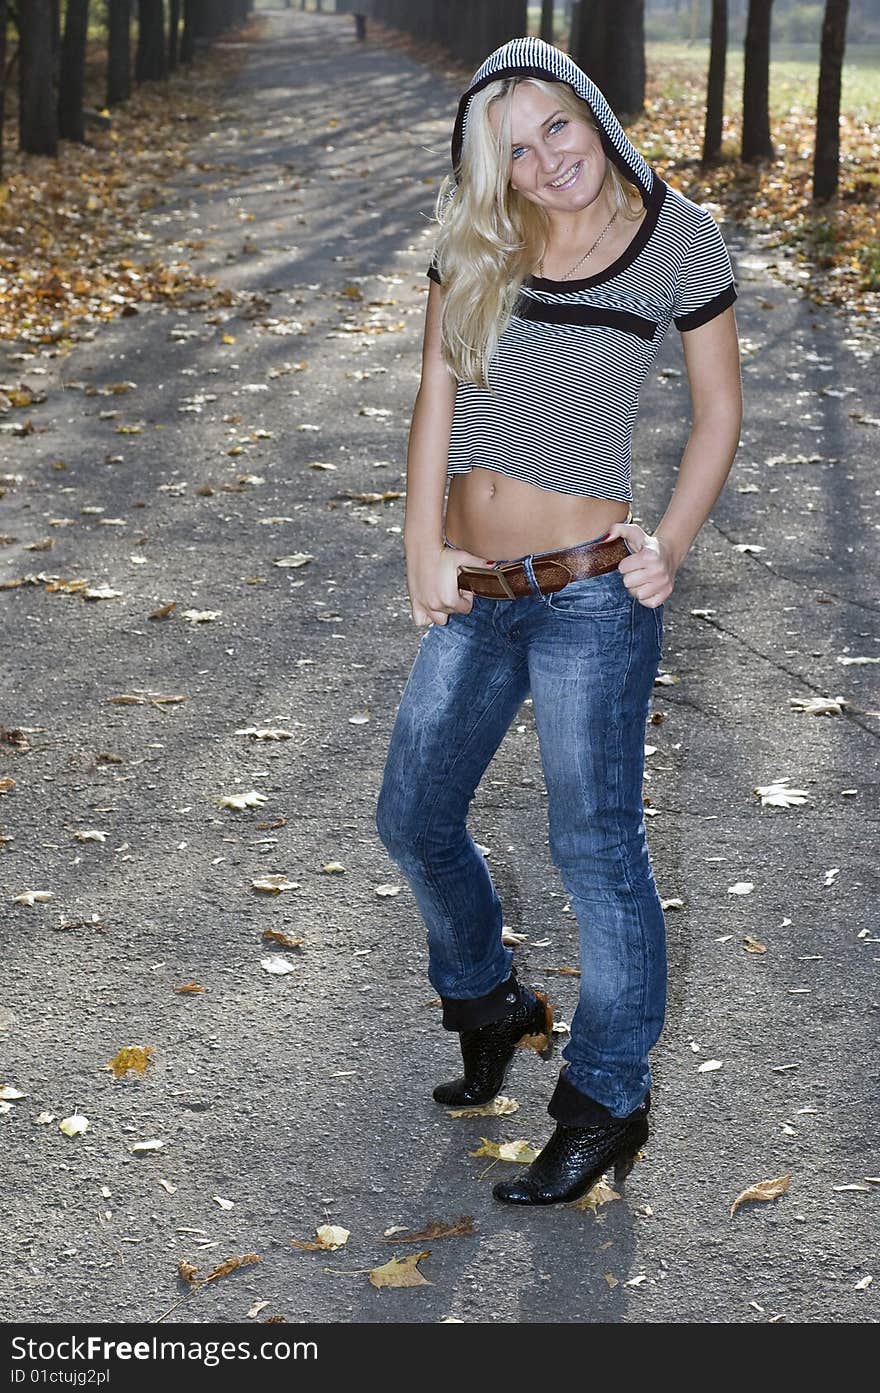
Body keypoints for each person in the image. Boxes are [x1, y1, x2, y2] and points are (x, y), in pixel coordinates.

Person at [376, 37, 742, 1206]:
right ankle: (487, 998)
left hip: (591, 591)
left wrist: (667, 546)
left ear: (592, 112)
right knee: (412, 817)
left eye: (555, 129)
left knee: (598, 851)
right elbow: (438, 384)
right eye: (514, 151)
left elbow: (717, 413)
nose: (544, 163)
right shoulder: (479, 236)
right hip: (476, 591)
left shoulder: (680, 240)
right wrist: (420, 541)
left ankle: (603, 1102)